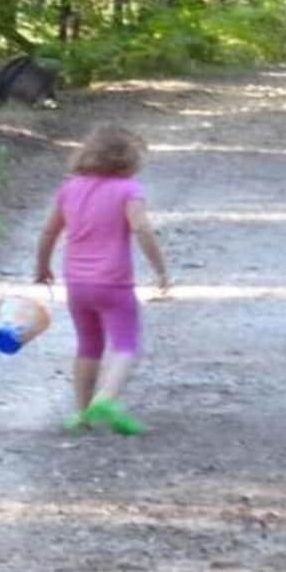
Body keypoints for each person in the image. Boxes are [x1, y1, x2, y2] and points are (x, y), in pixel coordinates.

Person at [33, 125, 170, 434]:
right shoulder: (128, 189)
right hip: (114, 283)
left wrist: (42, 267)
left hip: (77, 284)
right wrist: (160, 268)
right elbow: (141, 228)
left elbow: (49, 231)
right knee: (126, 344)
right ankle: (106, 399)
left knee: (88, 346)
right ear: (130, 159)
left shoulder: (70, 188)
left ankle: (81, 415)